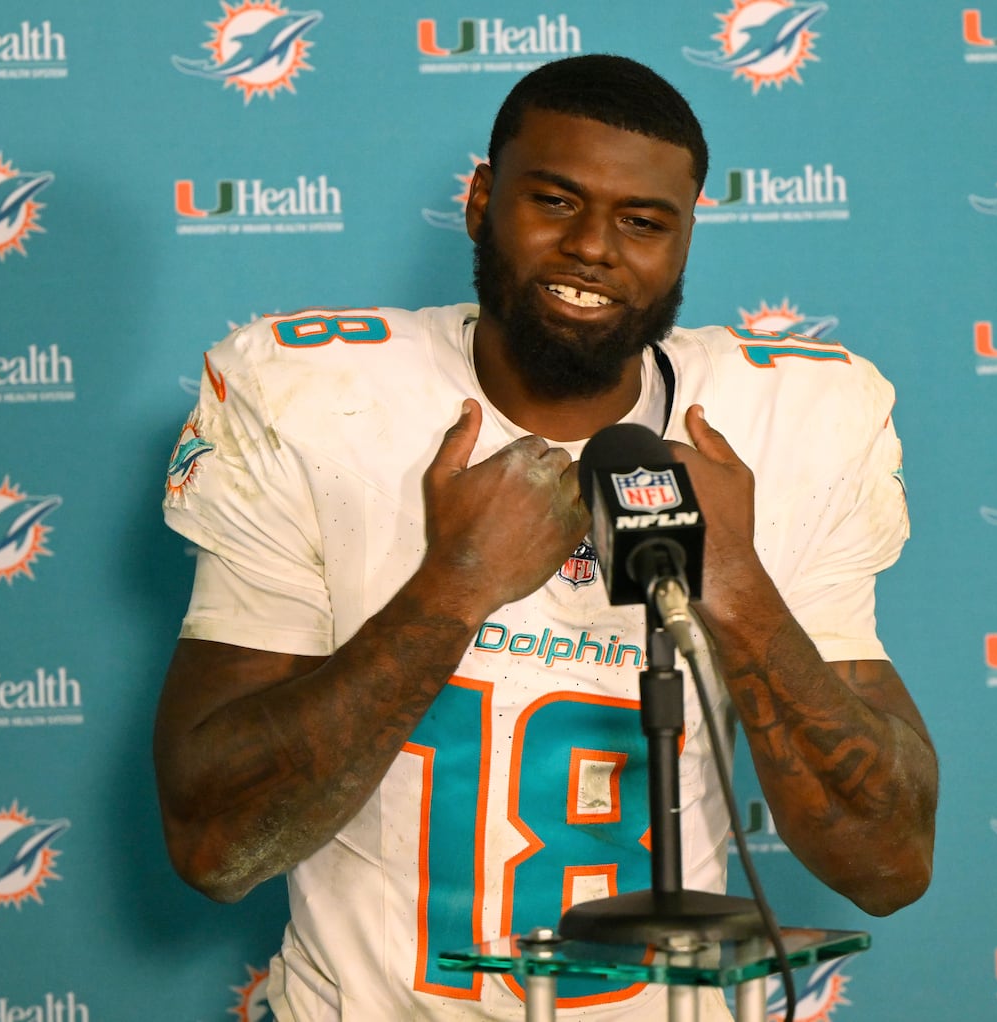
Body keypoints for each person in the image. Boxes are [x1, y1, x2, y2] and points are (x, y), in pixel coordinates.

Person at [154, 53, 937, 1021]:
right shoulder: (312, 397)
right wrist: (453, 587)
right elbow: (213, 842)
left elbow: (890, 862)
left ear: (686, 238)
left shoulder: (790, 416)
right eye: (555, 201)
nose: (594, 248)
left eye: (643, 222)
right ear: (482, 200)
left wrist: (732, 581)